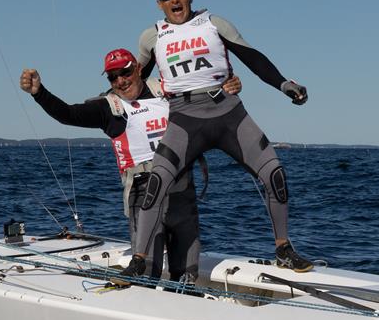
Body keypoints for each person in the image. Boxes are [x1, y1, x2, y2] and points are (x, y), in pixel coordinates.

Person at [119, 0, 313, 282]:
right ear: (159, 4)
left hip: (228, 114)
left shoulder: (214, 23)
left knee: (273, 172)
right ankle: (140, 260)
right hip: (184, 120)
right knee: (155, 183)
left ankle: (283, 249)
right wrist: (100, 107)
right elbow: (132, 83)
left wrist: (285, 85)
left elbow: (252, 57)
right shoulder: (151, 37)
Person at [20, 48, 242, 284]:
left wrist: (230, 85)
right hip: (143, 194)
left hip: (181, 192)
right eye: (112, 77)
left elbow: (208, 95)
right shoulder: (110, 109)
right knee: (145, 271)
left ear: (137, 68)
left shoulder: (167, 91)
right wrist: (38, 92)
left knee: (187, 273)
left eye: (124, 73)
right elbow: (68, 114)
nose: (120, 81)